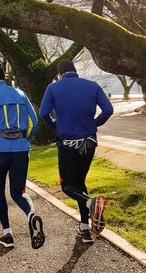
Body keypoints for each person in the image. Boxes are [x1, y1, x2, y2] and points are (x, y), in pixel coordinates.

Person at [38, 59, 113, 243]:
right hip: (89, 143)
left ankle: (90, 203)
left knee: (67, 186)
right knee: (80, 183)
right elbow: (108, 110)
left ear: (59, 74)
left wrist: (55, 125)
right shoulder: (92, 86)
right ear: (75, 71)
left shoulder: (53, 88)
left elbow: (43, 113)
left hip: (68, 144)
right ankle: (85, 228)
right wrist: (94, 123)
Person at [0, 66, 45, 250]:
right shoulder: (20, 93)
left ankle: (7, 234)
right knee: (18, 192)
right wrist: (25, 139)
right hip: (21, 149)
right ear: (4, 78)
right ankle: (31, 215)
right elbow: (34, 121)